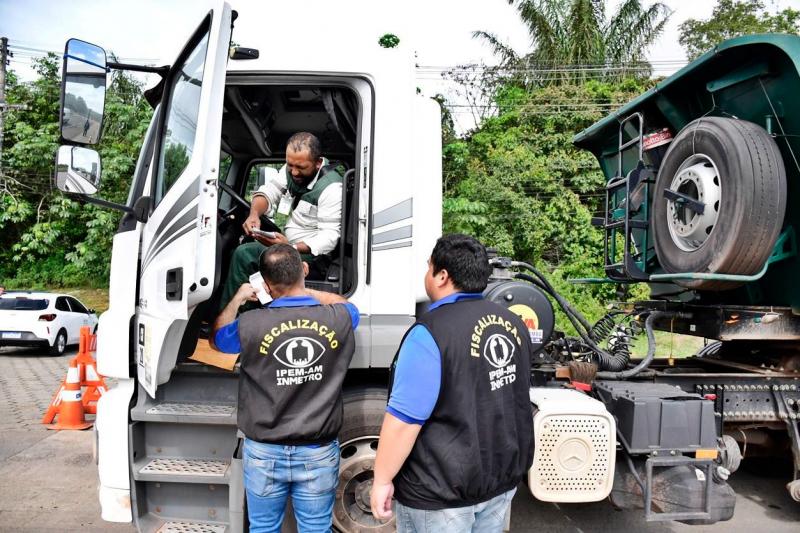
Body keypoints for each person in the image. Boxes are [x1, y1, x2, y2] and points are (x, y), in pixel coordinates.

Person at [370, 234, 534, 532]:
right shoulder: (513, 323)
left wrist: (381, 480)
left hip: (440, 493)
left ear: (442, 276)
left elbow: (404, 422)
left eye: (428, 267)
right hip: (498, 483)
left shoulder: (429, 333)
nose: (426, 274)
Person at [212, 243, 359, 532]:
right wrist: (305, 291)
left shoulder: (250, 324)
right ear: (304, 269)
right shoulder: (337, 318)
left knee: (263, 528)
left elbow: (217, 338)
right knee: (316, 528)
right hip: (317, 451)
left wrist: (238, 298)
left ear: (265, 284)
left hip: (264, 452)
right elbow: (349, 306)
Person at [220, 131, 344, 311]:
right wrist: (254, 214)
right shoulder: (292, 169)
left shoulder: (331, 188)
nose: (294, 172)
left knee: (245, 254)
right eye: (290, 165)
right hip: (290, 245)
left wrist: (290, 247)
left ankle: (233, 320)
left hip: (313, 257)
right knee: (242, 245)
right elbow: (269, 192)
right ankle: (253, 310)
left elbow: (329, 237)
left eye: (300, 167)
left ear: (318, 163)